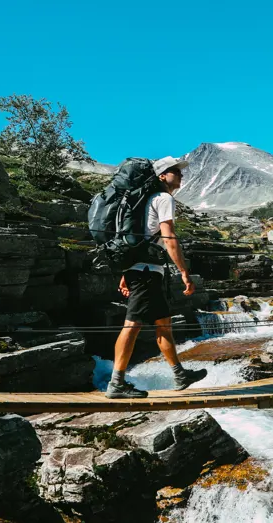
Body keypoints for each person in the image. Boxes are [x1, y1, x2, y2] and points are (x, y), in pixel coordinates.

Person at [105, 156, 208, 399]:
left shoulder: (142, 202)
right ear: (162, 176)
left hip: (144, 270)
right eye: (175, 172)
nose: (180, 175)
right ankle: (116, 383)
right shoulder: (163, 199)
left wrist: (125, 273)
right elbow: (169, 237)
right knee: (132, 325)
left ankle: (179, 374)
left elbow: (132, 238)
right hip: (147, 273)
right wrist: (184, 272)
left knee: (164, 324)